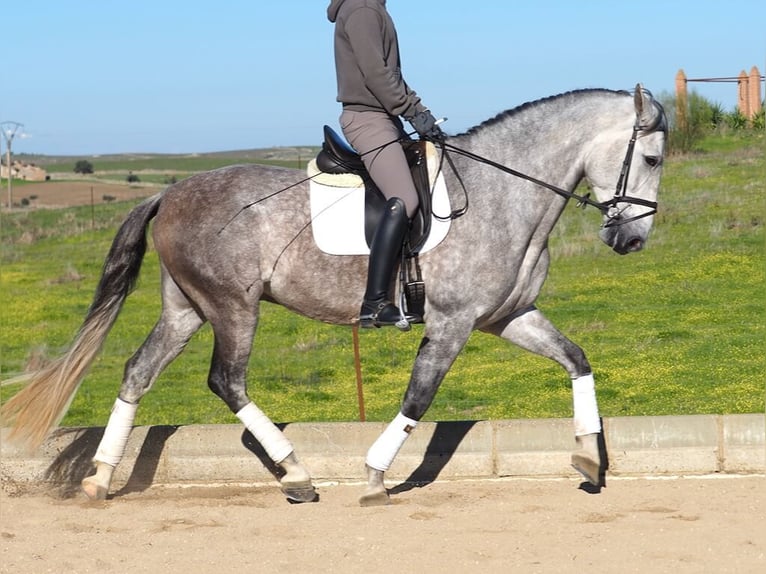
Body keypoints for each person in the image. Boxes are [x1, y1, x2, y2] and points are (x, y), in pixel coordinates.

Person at [327, 0, 444, 328]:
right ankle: (375, 303)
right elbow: (377, 74)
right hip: (369, 120)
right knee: (405, 199)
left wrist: (420, 111)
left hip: (385, 118)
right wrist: (413, 112)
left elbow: (392, 76)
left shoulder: (372, 8)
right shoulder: (363, 9)